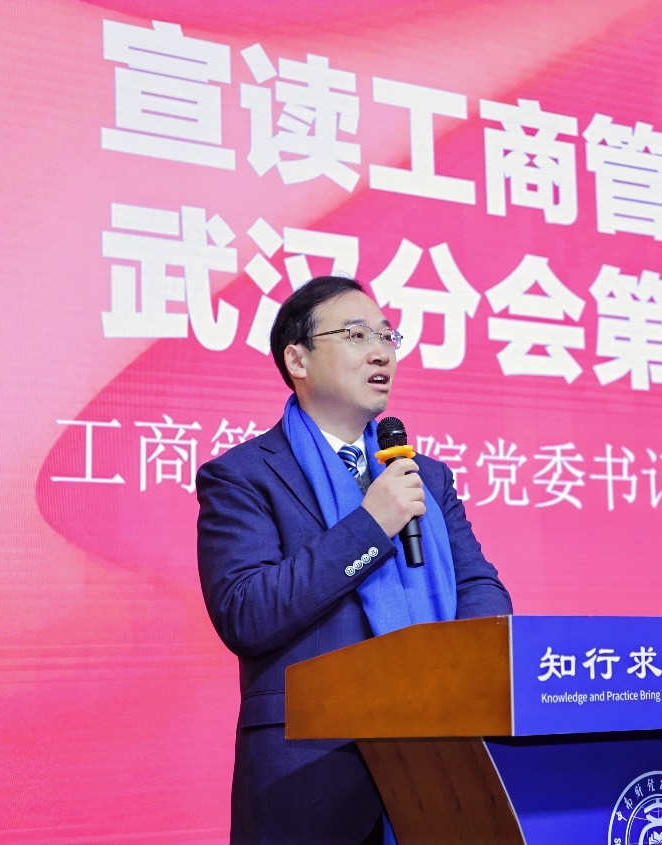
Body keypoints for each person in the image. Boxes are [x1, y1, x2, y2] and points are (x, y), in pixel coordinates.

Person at [196, 275, 512, 844]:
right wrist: (370, 526)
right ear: (297, 358)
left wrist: (453, 677)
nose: (381, 352)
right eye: (356, 334)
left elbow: (480, 588)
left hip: (442, 765)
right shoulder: (243, 476)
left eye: (387, 336)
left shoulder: (424, 476)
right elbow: (246, 612)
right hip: (311, 773)